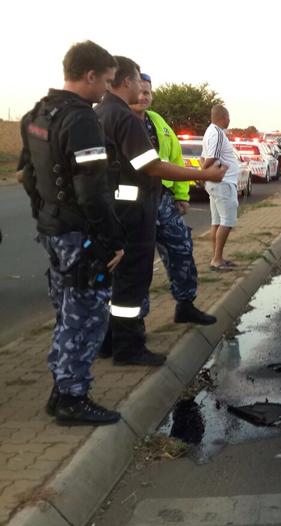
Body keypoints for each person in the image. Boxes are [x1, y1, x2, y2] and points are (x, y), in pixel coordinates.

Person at [18, 40, 124, 424]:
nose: (106, 90)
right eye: (106, 82)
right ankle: (72, 398)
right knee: (87, 315)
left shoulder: (37, 113)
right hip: (80, 234)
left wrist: (45, 215)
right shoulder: (81, 119)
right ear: (89, 75)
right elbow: (92, 189)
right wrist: (110, 240)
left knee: (66, 312)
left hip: (53, 230)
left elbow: (26, 174)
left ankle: (61, 389)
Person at [97, 56, 225, 367]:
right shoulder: (121, 117)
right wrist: (205, 175)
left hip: (139, 202)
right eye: (139, 80)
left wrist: (179, 194)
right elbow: (151, 166)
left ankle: (117, 339)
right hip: (132, 208)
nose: (142, 88)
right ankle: (126, 344)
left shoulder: (109, 113)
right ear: (126, 81)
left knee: (135, 273)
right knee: (131, 278)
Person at [131, 73, 216, 325]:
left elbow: (175, 159)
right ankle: (133, 324)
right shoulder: (120, 121)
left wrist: (181, 195)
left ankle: (186, 304)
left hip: (163, 199)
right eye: (139, 91)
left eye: (147, 92)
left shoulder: (157, 121)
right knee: (139, 262)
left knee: (182, 249)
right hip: (134, 203)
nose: (143, 96)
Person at [201, 105, 241, 270]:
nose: (230, 120)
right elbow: (211, 158)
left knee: (217, 221)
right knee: (227, 222)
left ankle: (217, 257)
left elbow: (202, 157)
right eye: (228, 116)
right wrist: (204, 172)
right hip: (223, 183)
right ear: (223, 117)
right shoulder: (217, 133)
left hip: (218, 183)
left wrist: (203, 171)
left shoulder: (209, 131)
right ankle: (217, 260)